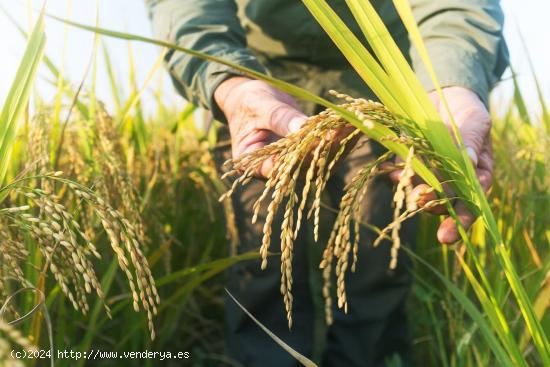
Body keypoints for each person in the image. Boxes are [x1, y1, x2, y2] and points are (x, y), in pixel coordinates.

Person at [146, 0, 508, 366]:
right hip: (254, 73)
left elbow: (454, 5)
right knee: (260, 256)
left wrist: (453, 84)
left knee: (377, 255)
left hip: (380, 77)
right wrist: (226, 78)